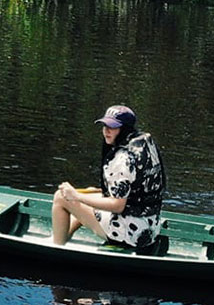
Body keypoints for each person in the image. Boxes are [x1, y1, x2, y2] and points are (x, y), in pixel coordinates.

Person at [51, 104, 165, 250]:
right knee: (92, 191)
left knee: (61, 197)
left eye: (113, 127)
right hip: (151, 225)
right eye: (105, 125)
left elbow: (118, 206)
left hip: (130, 233)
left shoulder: (122, 158)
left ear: (124, 129)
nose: (106, 131)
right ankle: (63, 234)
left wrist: (76, 197)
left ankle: (57, 247)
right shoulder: (144, 142)